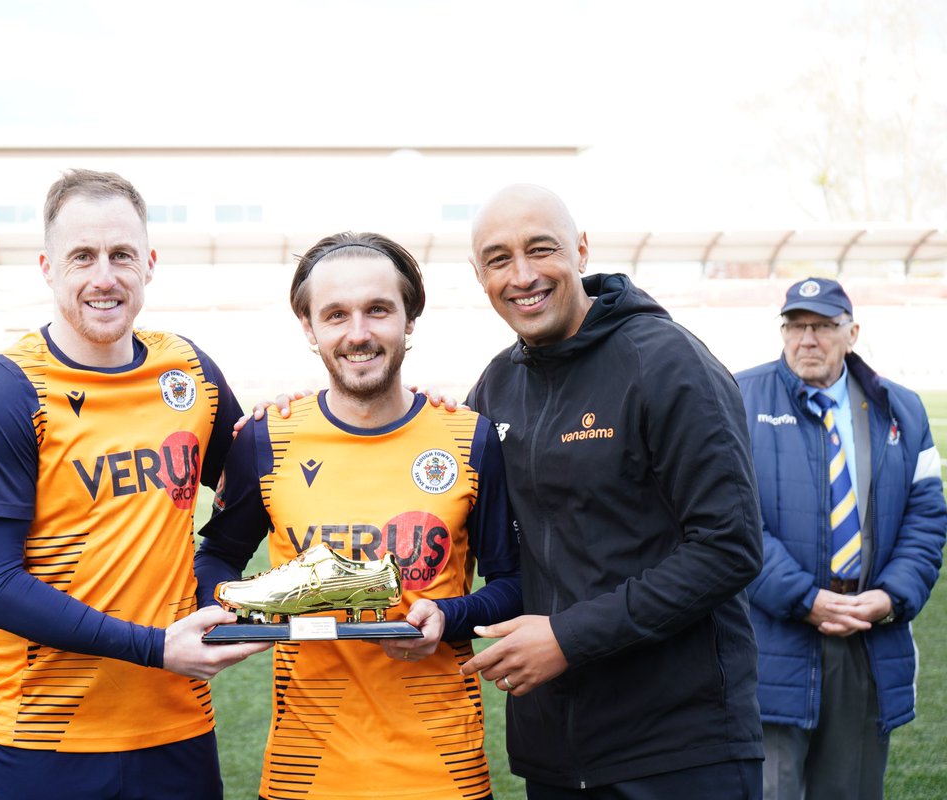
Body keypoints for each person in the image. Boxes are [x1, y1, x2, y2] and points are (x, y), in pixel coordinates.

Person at [0, 168, 269, 800]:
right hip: (44, 739)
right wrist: (154, 647)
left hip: (177, 725)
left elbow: (257, 476)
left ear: (148, 263)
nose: (104, 277)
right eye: (82, 257)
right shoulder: (6, 388)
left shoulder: (187, 369)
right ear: (47, 267)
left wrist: (213, 565)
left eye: (121, 255)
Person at [457, 183, 765, 799]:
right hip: (553, 751)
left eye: (540, 250)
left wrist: (568, 638)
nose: (522, 276)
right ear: (479, 275)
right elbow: (454, 514)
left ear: (581, 251)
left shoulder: (667, 361)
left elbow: (728, 548)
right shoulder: (495, 385)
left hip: (677, 751)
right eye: (498, 259)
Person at [194, 231, 522, 800]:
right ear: (309, 328)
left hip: (442, 771)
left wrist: (448, 615)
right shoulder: (268, 437)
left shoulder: (468, 437)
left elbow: (514, 584)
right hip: (306, 769)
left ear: (409, 320)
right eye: (336, 315)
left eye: (378, 310)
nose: (359, 333)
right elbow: (217, 556)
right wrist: (231, 611)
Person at [735, 277, 946, 800]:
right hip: (774, 638)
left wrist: (890, 596)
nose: (808, 338)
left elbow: (927, 515)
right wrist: (803, 599)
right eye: (795, 325)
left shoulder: (902, 408)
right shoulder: (739, 396)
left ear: (852, 332)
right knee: (771, 789)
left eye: (823, 326)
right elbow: (730, 521)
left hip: (866, 635)